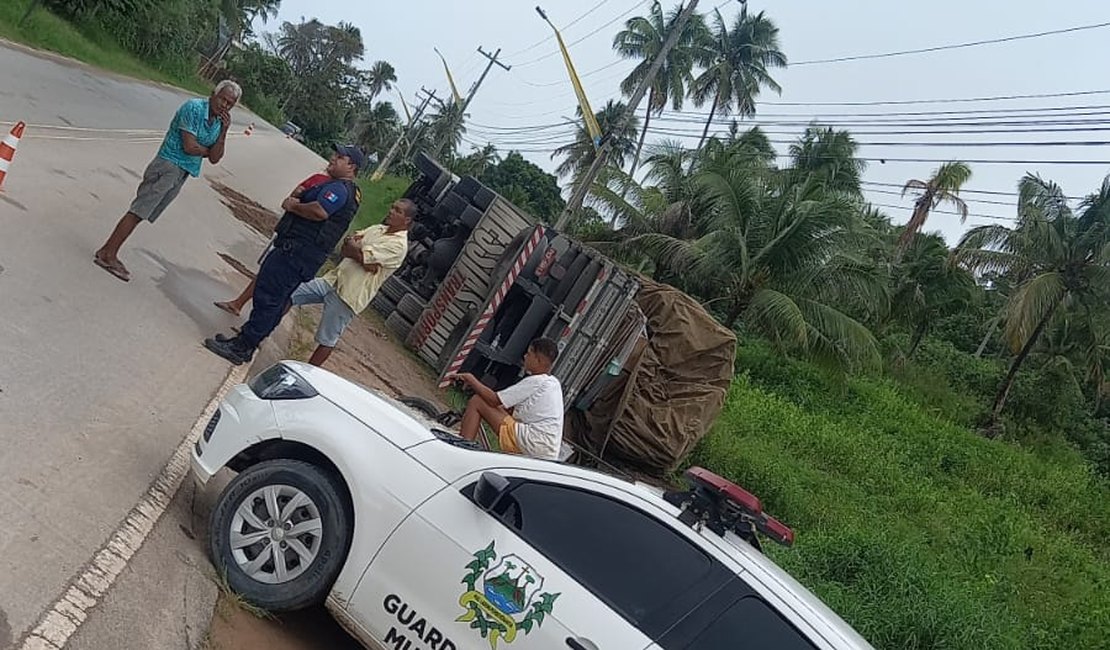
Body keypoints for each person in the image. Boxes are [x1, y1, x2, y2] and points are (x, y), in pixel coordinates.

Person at [203, 144, 365, 365]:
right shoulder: (345, 189)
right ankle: (244, 341)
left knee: (269, 300)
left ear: (351, 166)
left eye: (339, 157)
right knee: (272, 299)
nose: (333, 158)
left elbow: (319, 211)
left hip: (296, 253)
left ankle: (242, 347)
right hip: (299, 253)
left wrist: (294, 205)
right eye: (334, 155)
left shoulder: (339, 189)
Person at [94, 80, 242, 282]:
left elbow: (216, 158)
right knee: (139, 211)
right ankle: (107, 254)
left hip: (183, 171)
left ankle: (108, 251)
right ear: (213, 95)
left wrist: (224, 131)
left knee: (142, 213)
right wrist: (206, 151)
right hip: (168, 165)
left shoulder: (218, 123)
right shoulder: (194, 108)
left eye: (229, 103)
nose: (224, 105)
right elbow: (190, 146)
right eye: (222, 99)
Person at [289, 198, 414, 366]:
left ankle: (308, 372)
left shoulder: (398, 246)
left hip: (349, 294)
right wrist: (359, 254)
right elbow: (349, 244)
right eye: (392, 207)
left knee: (327, 338)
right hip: (334, 279)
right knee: (289, 295)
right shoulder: (378, 229)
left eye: (398, 211)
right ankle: (264, 331)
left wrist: (358, 252)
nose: (391, 211)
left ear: (407, 220)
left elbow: (363, 257)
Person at [213, 171, 331, 317]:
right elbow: (290, 199)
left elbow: (311, 209)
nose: (333, 160)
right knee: (266, 272)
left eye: (339, 158)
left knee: (278, 286)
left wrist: (299, 203)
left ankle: (256, 325)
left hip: (301, 245)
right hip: (289, 234)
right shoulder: (319, 179)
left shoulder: (335, 192)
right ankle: (240, 306)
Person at [453, 338, 564, 460]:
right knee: (489, 405)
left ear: (538, 360)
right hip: (546, 451)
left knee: (477, 401)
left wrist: (470, 379)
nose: (525, 356)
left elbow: (494, 400)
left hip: (531, 442)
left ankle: (461, 451)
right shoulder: (553, 383)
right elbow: (506, 406)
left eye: (529, 354)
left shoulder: (536, 381)